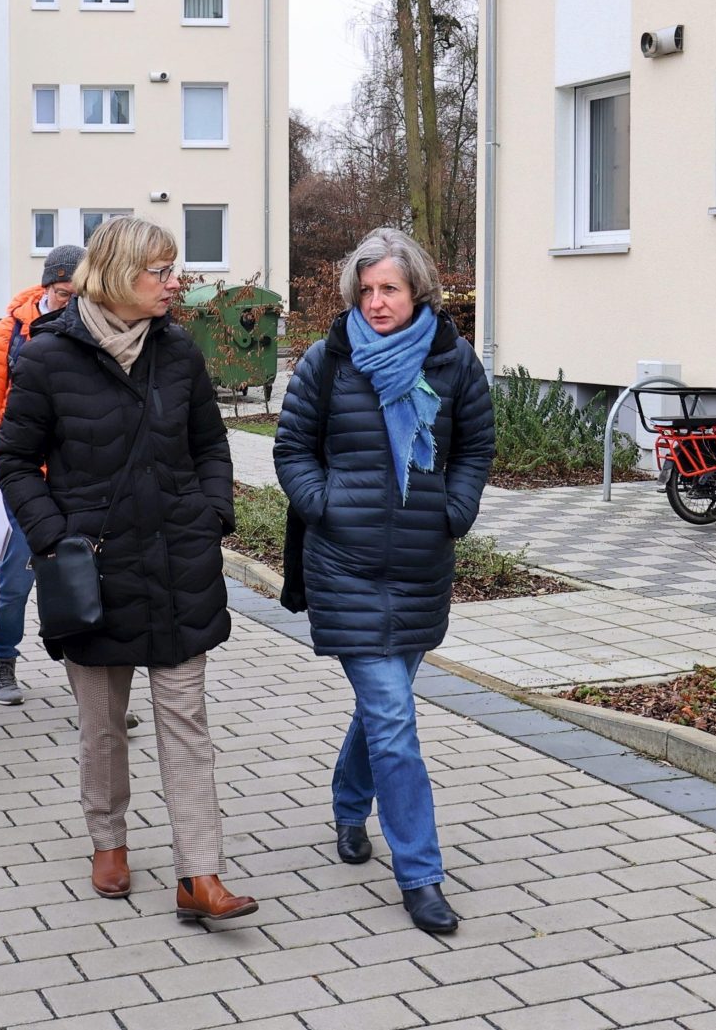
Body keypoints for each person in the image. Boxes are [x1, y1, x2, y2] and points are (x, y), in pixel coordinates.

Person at [0, 217, 257, 924]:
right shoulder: (49, 358)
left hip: (178, 564)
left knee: (186, 723)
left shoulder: (178, 351)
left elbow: (211, 444)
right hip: (95, 571)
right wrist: (54, 540)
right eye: (161, 271)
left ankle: (200, 873)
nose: (176, 282)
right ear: (115, 276)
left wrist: (210, 516)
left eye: (175, 269)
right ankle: (107, 838)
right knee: (104, 725)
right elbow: (13, 461)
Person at [272, 227, 494, 936]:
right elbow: (291, 447)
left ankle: (346, 803)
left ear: (417, 289)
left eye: (388, 288)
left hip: (422, 566)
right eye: (364, 290)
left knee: (384, 710)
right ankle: (421, 874)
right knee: (397, 720)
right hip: (347, 567)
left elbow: (478, 445)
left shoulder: (454, 362)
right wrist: (326, 505)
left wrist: (454, 509)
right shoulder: (327, 362)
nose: (374, 302)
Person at [0, 242, 83, 705]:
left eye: (78, 295)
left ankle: (90, 680)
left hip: (78, 477)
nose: (69, 303)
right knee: (16, 579)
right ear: (47, 286)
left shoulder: (95, 330)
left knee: (81, 579)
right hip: (21, 477)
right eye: (62, 293)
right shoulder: (9, 334)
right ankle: (2, 658)